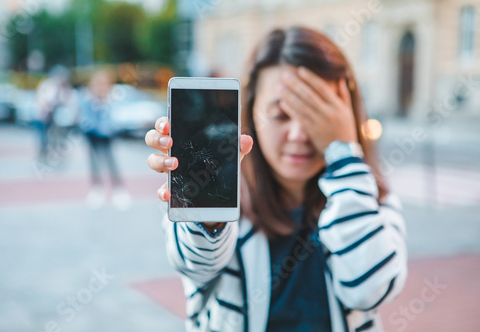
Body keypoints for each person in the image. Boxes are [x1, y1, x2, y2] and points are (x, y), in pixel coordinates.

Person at [146, 27, 407, 332]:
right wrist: (207, 208)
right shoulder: (223, 194)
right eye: (280, 116)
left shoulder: (370, 199)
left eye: (315, 117)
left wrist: (344, 155)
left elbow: (369, 290)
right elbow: (195, 262)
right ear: (252, 112)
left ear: (346, 118)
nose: (299, 135)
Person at [80, 69, 130, 210]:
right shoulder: (88, 99)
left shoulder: (111, 99)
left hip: (107, 136)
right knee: (94, 164)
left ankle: (118, 190)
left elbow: (114, 119)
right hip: (92, 135)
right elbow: (85, 118)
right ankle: (97, 190)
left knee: (111, 163)